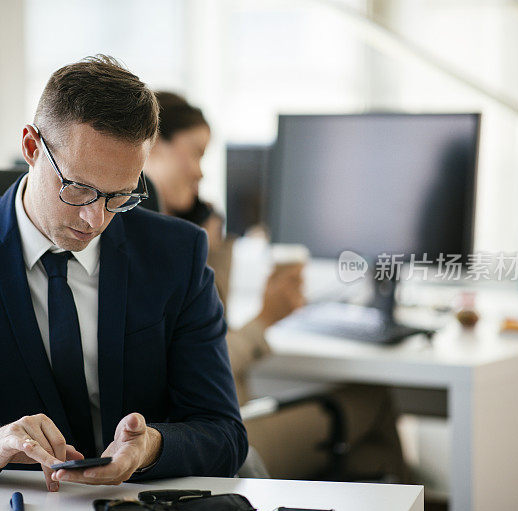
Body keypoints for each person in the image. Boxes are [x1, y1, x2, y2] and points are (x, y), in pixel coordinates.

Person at [0, 57, 248, 490]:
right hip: (9, 506)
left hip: (137, 506)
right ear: (32, 147)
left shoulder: (176, 253)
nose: (95, 220)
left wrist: (150, 448)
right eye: (80, 188)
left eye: (119, 197)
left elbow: (223, 433)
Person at [143, 91, 408, 482]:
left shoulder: (179, 239)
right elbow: (197, 365)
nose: (200, 172)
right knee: (375, 401)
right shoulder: (146, 249)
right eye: (195, 152)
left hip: (226, 419)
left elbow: (205, 336)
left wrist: (212, 250)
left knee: (369, 460)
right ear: (153, 146)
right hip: (208, 437)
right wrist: (266, 319)